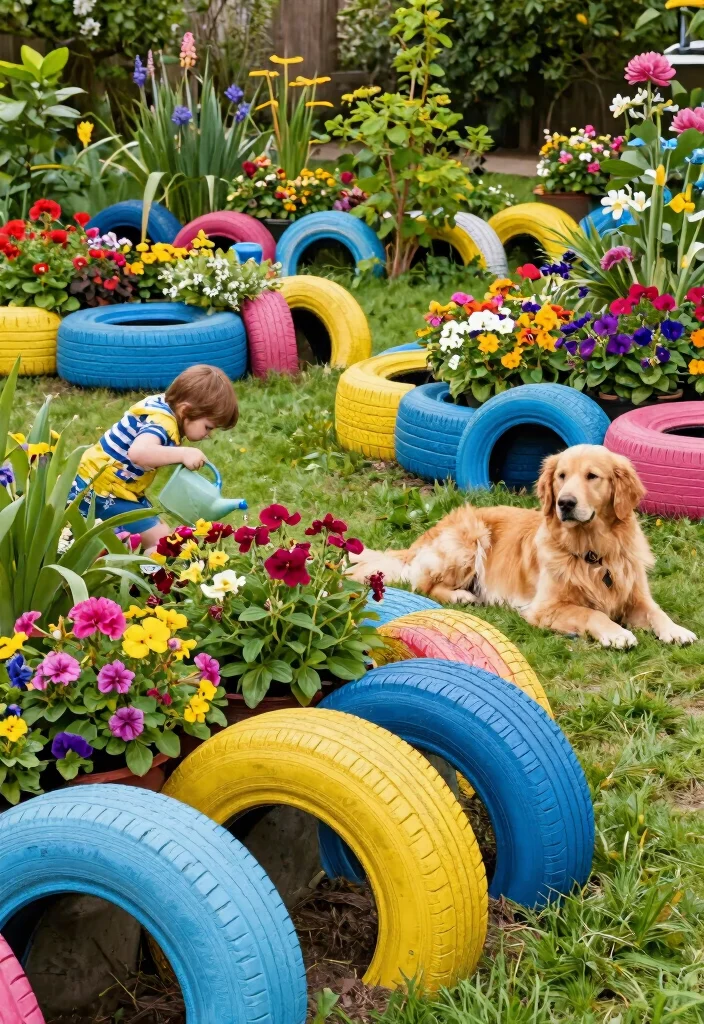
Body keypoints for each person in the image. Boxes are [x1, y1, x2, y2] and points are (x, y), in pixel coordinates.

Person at [69, 364, 238, 552]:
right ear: (185, 410)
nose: (209, 434)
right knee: (160, 538)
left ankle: (115, 560)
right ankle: (147, 577)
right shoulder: (163, 423)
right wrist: (183, 453)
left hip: (102, 481)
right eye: (208, 427)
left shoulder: (162, 405)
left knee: (140, 531)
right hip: (103, 489)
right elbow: (139, 453)